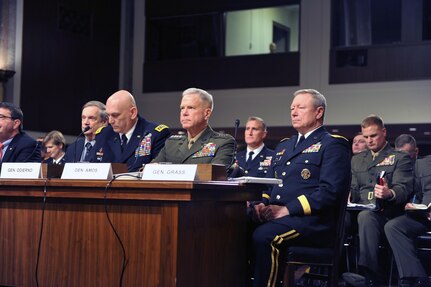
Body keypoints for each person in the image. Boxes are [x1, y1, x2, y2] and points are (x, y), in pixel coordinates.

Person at [250, 89, 351, 287]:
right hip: (279, 217)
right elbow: (270, 184)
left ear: (318, 112)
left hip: (311, 222)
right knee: (236, 226)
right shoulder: (284, 146)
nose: (294, 112)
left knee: (265, 236)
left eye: (300, 107)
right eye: (292, 108)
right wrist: (262, 204)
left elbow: (329, 192)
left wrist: (287, 210)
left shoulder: (332, 145)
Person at [343, 115, 414, 287]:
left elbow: (404, 188)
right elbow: (353, 187)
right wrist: (347, 195)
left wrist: (389, 192)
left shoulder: (399, 157)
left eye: (373, 136)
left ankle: (369, 277)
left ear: (384, 132)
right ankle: (329, 269)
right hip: (356, 210)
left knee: (366, 217)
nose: (369, 141)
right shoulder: (357, 159)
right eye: (365, 137)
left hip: (384, 214)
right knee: (336, 217)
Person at [152, 87, 235, 168]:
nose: (184, 113)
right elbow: (150, 170)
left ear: (207, 113)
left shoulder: (222, 143)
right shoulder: (171, 143)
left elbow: (216, 176)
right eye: (182, 108)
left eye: (190, 108)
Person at [384, 155, 431, 287]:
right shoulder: (421, 164)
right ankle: (416, 278)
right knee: (394, 226)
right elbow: (418, 193)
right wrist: (413, 206)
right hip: (426, 215)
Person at [100, 90, 170, 171]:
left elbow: (155, 174)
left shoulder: (156, 134)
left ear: (133, 113)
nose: (110, 121)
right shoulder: (104, 134)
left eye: (115, 115)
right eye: (108, 115)